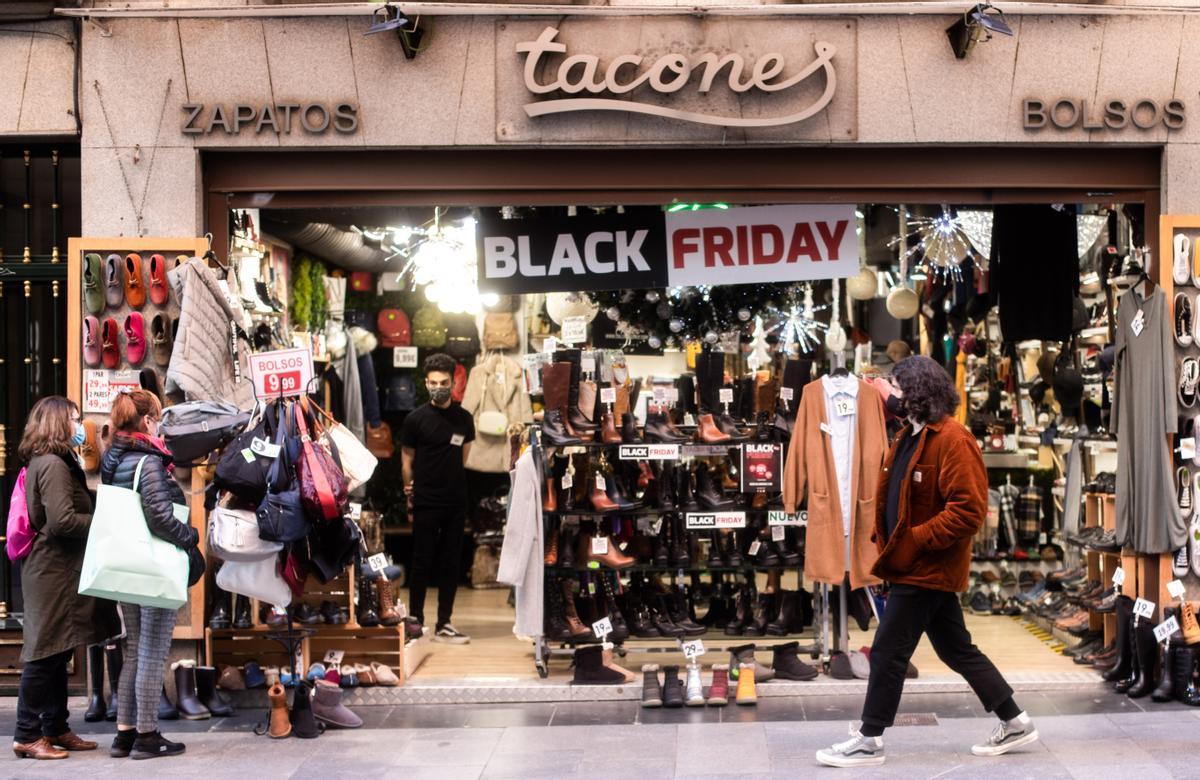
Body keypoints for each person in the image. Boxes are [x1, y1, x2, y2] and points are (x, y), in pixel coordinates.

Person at [817, 356, 1037, 768]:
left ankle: (868, 738)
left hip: (926, 568)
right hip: (909, 564)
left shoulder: (953, 439)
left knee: (887, 652)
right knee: (957, 650)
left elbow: (968, 511)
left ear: (918, 393)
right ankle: (1016, 720)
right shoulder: (909, 437)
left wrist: (913, 542)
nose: (889, 396)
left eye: (896, 389)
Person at [13, 397, 122, 760]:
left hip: (58, 570)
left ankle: (55, 728)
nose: (81, 426)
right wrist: (106, 523)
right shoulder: (53, 465)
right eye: (75, 419)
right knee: (44, 653)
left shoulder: (52, 462)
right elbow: (62, 521)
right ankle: (27, 734)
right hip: (52, 572)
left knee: (58, 652)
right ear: (59, 425)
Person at [101, 389, 201, 760]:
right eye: (157, 417)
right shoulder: (150, 462)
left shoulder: (115, 458)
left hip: (128, 566)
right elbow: (159, 516)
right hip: (153, 568)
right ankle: (147, 735)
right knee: (152, 651)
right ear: (146, 421)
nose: (160, 425)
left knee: (134, 650)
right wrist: (189, 537)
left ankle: (123, 734)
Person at [401, 353, 475, 644]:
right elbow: (406, 460)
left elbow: (464, 457)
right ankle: (416, 621)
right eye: (433, 382)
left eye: (443, 382)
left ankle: (445, 622)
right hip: (425, 500)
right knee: (421, 562)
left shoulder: (464, 418)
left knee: (451, 563)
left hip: (456, 500)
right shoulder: (415, 419)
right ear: (426, 383)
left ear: (453, 381)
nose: (438, 387)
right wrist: (409, 489)